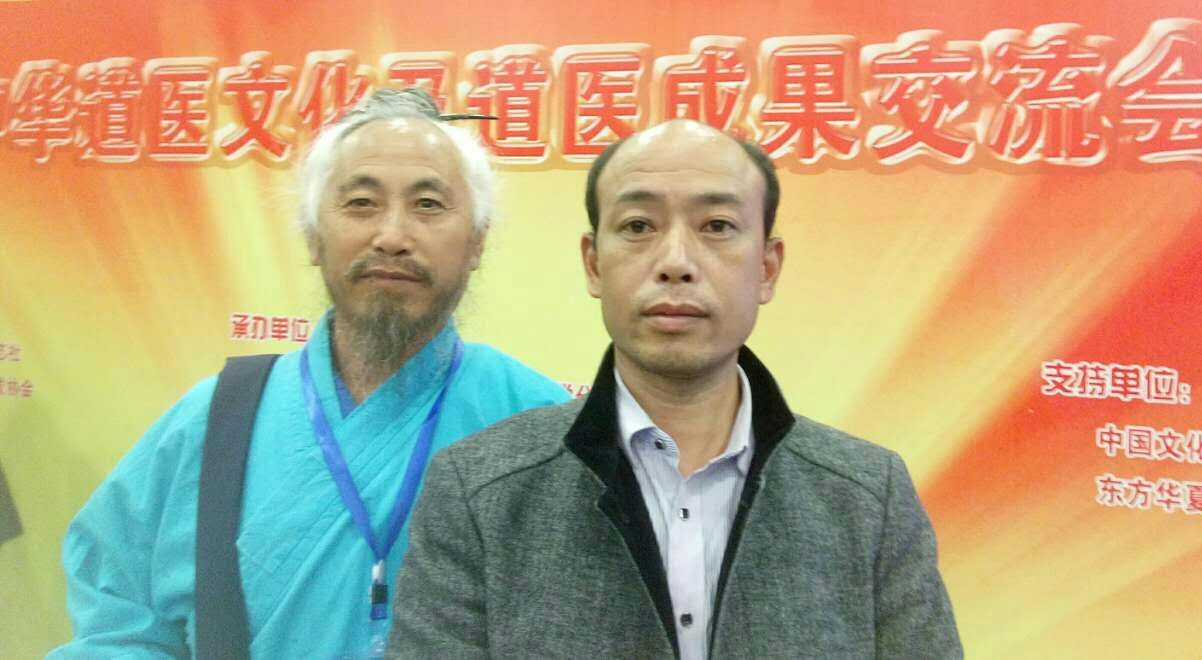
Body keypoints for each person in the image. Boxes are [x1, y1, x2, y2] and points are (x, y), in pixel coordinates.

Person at [389, 119, 962, 658]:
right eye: (639, 227)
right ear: (594, 263)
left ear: (767, 268)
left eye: (717, 226)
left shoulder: (868, 497)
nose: (676, 262)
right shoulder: (477, 490)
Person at [52, 89, 569, 659]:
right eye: (361, 203)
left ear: (477, 241)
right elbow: (119, 626)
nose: (392, 236)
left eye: (428, 205)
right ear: (312, 236)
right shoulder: (219, 421)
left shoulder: (545, 427)